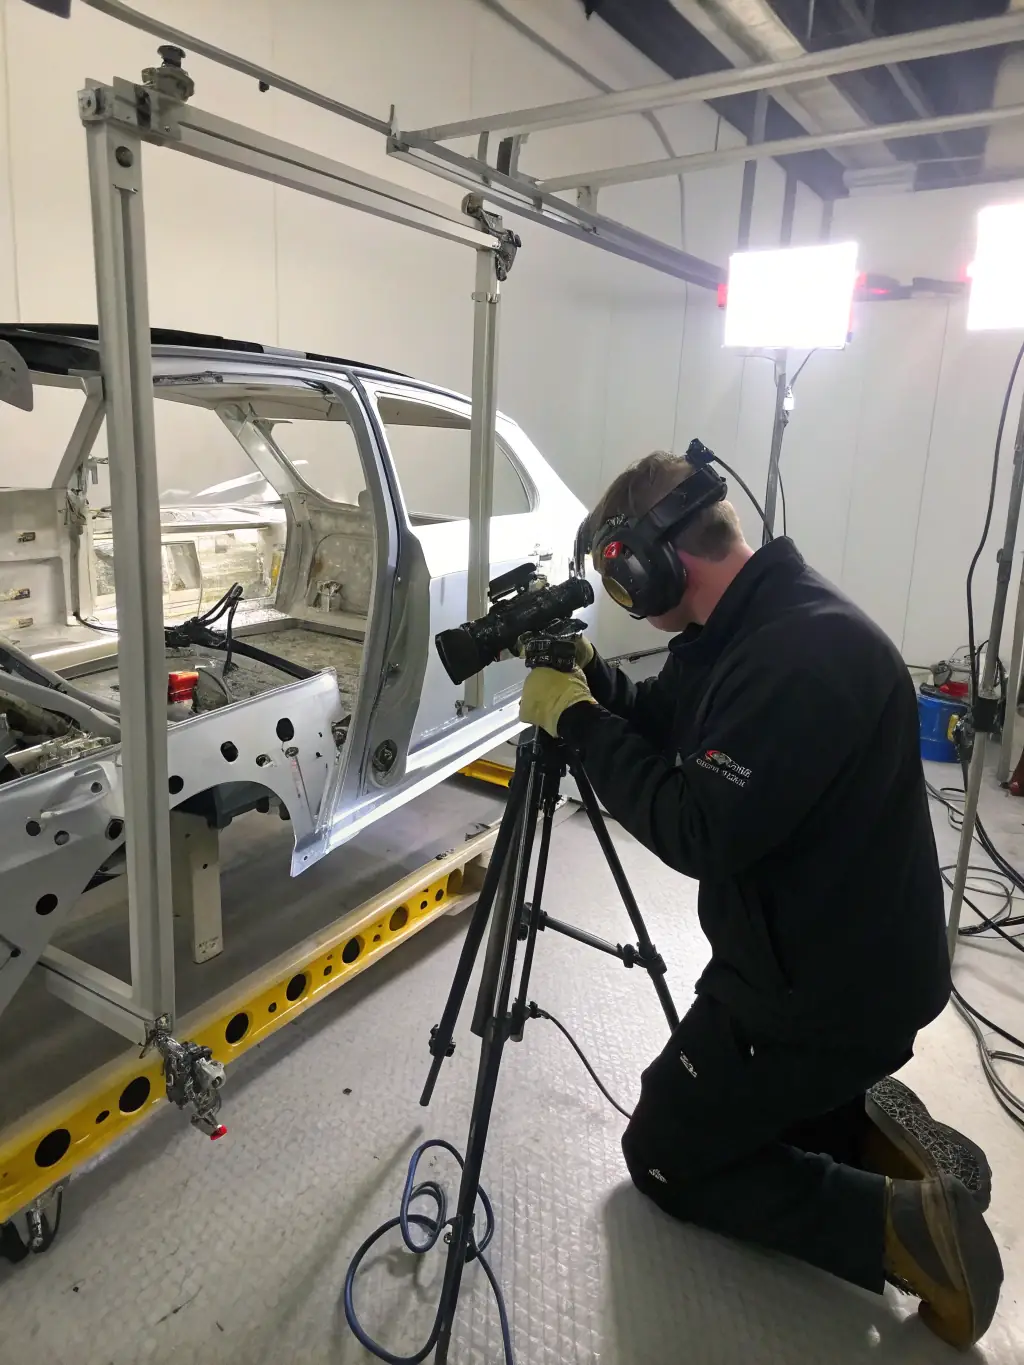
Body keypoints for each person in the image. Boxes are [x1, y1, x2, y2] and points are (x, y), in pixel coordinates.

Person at [519, 448, 1003, 1348]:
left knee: (661, 1154)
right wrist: (593, 675)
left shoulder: (798, 658)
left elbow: (697, 828)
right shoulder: (754, 619)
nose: (621, 598)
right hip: (833, 957)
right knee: (751, 1113)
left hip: (818, 991)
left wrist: (577, 722)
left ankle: (897, 1222)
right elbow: (674, 721)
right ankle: (846, 1126)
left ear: (655, 562)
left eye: (619, 581)